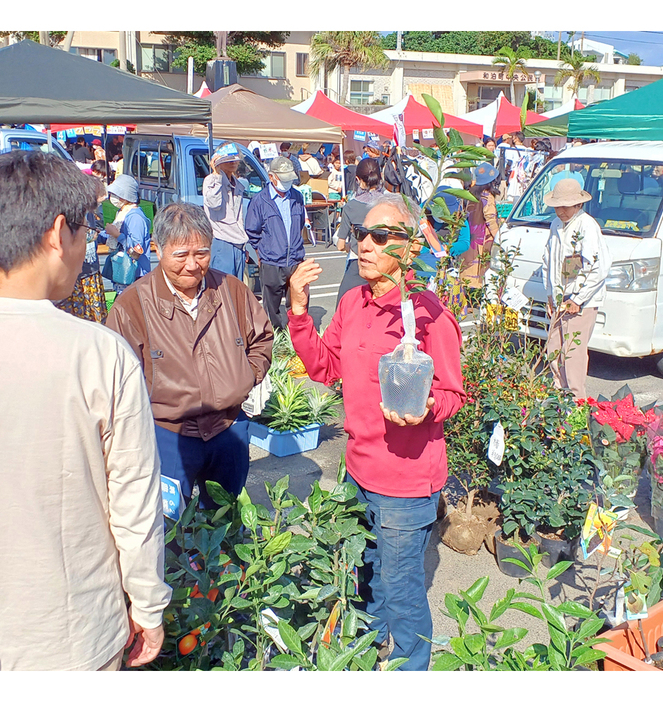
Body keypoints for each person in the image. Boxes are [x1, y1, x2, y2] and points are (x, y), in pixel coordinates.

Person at [0, 150, 171, 671]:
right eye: (84, 232)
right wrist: (147, 604)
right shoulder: (100, 355)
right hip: (75, 634)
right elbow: (133, 503)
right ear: (60, 233)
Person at [286, 193, 465, 670]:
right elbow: (325, 368)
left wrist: (427, 408)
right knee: (366, 578)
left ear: (408, 250)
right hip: (358, 470)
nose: (364, 244)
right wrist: (300, 315)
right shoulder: (351, 303)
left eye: (380, 236)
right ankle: (368, 655)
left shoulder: (429, 315)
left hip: (405, 483)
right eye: (361, 234)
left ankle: (411, 668)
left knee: (403, 590)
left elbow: (453, 394)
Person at [107, 202, 273, 502]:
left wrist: (246, 376)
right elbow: (115, 375)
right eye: (181, 255)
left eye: (202, 253)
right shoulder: (132, 305)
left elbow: (261, 338)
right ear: (156, 249)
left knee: (225, 521)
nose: (193, 265)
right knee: (169, 529)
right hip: (167, 433)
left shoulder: (231, 289)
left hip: (229, 428)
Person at [540, 179, 612, 400]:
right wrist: (551, 294)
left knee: (573, 353)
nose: (560, 211)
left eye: (565, 206)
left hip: (581, 300)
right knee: (554, 348)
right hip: (560, 296)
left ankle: (576, 401)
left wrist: (578, 298)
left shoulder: (587, 226)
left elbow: (598, 266)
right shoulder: (556, 224)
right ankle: (557, 395)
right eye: (557, 206)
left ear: (578, 205)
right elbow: (548, 261)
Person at [245, 156, 307, 329]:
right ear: (271, 177)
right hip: (271, 261)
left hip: (295, 260)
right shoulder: (260, 200)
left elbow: (300, 223)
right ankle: (276, 338)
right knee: (271, 306)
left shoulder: (297, 197)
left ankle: (295, 337)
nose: (288, 183)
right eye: (284, 179)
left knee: (297, 302)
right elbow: (252, 230)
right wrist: (263, 250)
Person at [55, 171, 109, 323]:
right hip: (78, 274)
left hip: (91, 270)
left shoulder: (91, 214)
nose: (99, 205)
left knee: (96, 319)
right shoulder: (74, 214)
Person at [335, 157, 384, 305]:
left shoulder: (351, 206)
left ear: (357, 179)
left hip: (358, 262)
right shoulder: (390, 203)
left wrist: (349, 246)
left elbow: (340, 244)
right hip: (385, 261)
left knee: (345, 305)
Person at [203, 141, 249, 280]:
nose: (232, 162)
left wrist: (243, 245)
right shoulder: (211, 180)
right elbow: (214, 203)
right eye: (227, 159)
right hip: (221, 242)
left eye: (235, 158)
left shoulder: (237, 183)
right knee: (222, 289)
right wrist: (216, 174)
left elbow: (239, 218)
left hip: (238, 243)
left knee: (236, 288)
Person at [105, 175, 152, 295]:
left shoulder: (135, 217)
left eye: (116, 194)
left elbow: (136, 249)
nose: (113, 197)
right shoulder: (122, 213)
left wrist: (116, 234)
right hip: (123, 273)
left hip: (136, 275)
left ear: (126, 196)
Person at [460, 163, 501, 287]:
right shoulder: (487, 196)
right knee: (481, 266)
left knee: (468, 263)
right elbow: (490, 220)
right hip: (482, 237)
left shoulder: (470, 193)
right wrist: (499, 238)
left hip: (470, 234)